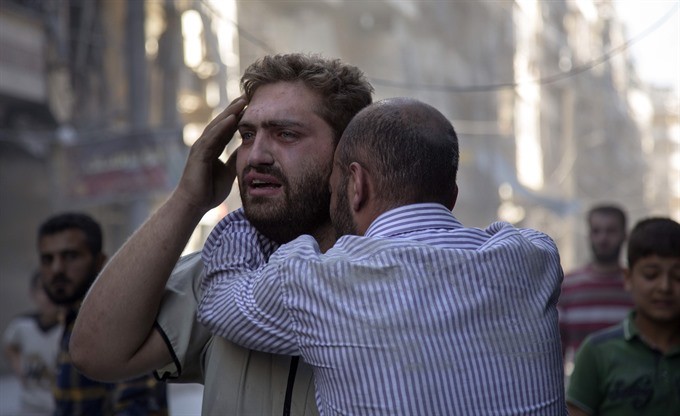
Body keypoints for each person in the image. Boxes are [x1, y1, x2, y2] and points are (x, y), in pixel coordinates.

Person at [197, 98, 566, 414]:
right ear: (451, 196)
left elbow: (220, 298)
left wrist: (253, 198)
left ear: (356, 186)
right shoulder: (534, 259)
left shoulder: (317, 283)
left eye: (332, 186)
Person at [69, 53, 374, 415]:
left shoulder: (395, 274)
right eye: (247, 135)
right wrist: (188, 200)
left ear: (347, 154)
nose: (256, 155)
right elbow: (96, 353)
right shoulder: (224, 277)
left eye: (286, 134)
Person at [36, 212, 168, 416]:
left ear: (100, 262)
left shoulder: (112, 324)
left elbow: (137, 407)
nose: (57, 269)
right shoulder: (73, 321)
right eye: (47, 259)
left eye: (70, 256)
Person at [566, 217, 680, 415]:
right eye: (651, 275)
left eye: (678, 277)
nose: (665, 287)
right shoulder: (597, 353)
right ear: (628, 278)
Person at [559, 204, 634, 368]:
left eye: (611, 231)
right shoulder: (567, 286)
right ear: (589, 235)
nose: (603, 239)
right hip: (583, 390)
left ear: (624, 235)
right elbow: (558, 352)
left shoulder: (637, 286)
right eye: (596, 231)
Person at [3, 270, 62, 415]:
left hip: (59, 406)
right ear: (33, 293)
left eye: (53, 290)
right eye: (43, 289)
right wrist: (18, 366)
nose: (47, 296)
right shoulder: (22, 325)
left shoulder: (67, 329)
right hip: (29, 405)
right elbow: (9, 345)